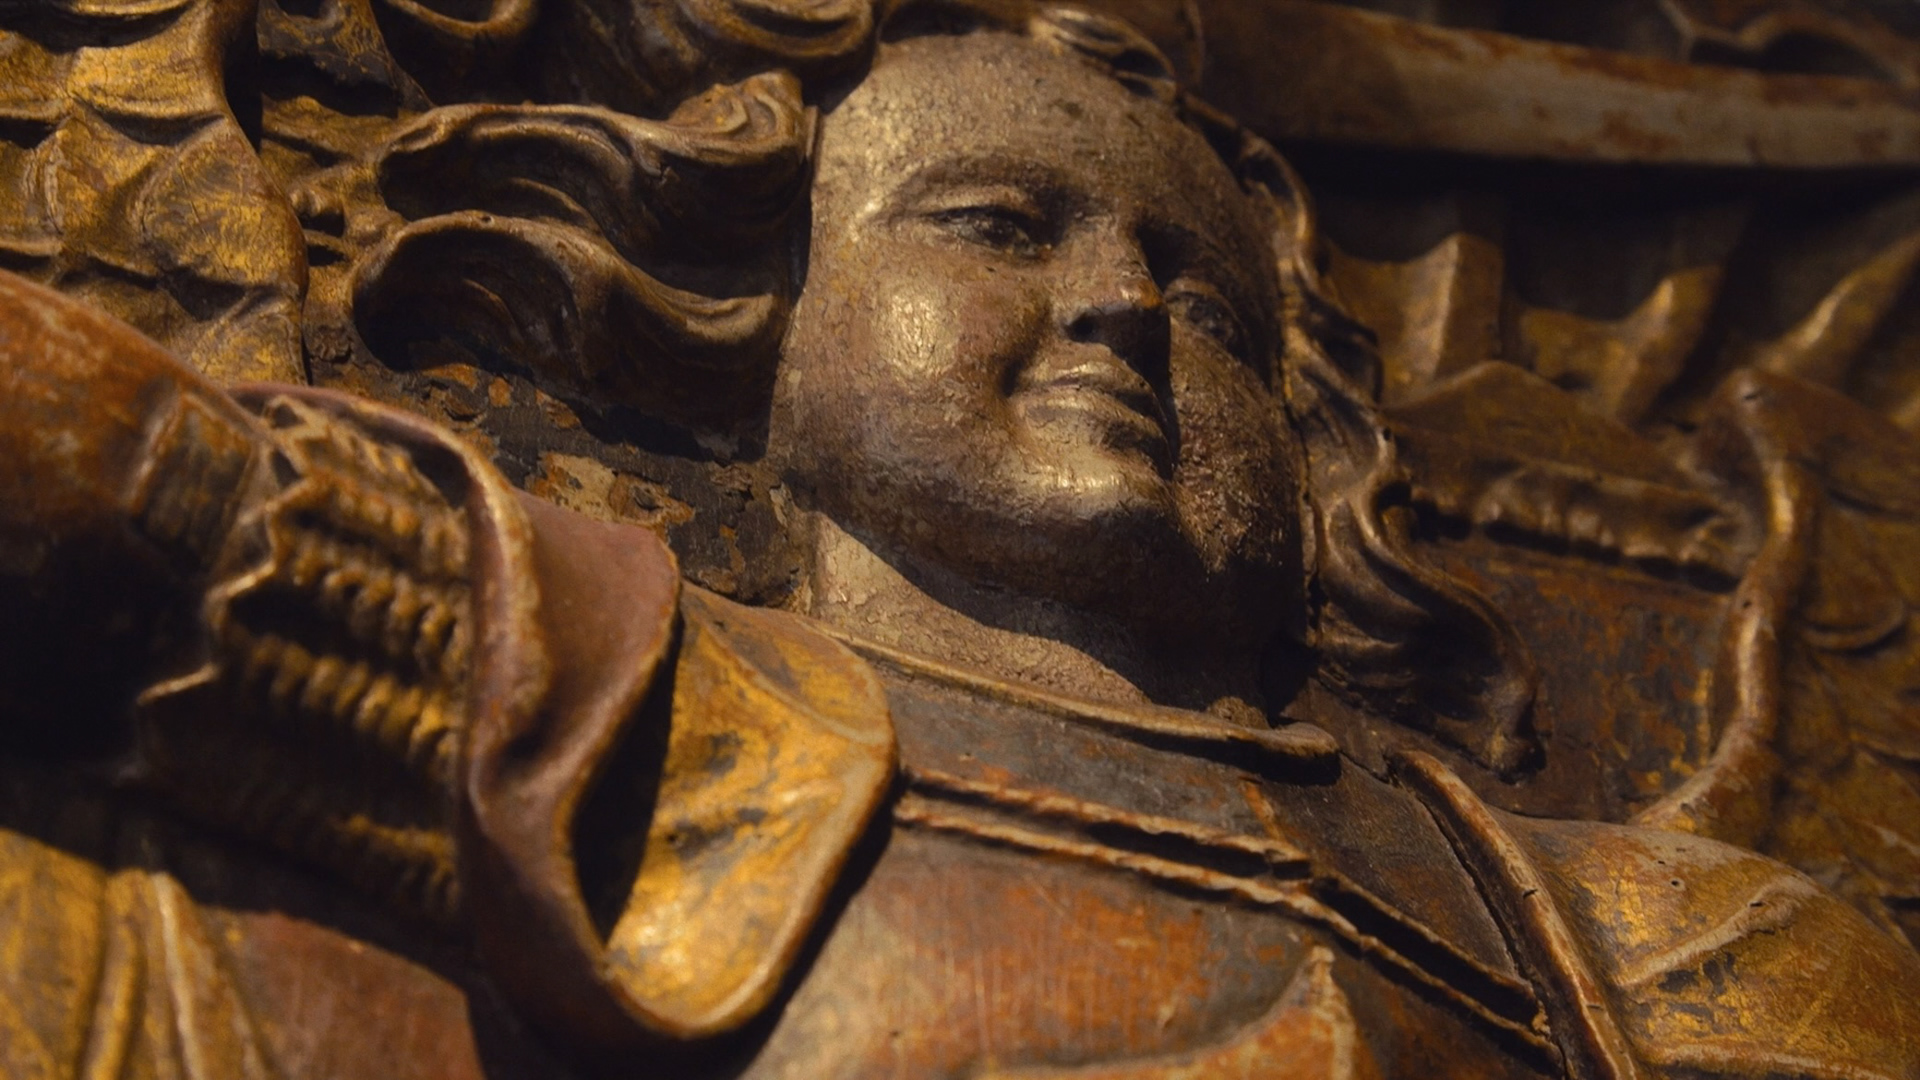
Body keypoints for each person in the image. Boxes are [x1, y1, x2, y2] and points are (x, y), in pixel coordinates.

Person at [0, 3, 1916, 1077]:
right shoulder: (605, 701)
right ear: (760, 317)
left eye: (1210, 305)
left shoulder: (1645, 950)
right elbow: (115, 481)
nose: (1127, 309)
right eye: (999, 227)